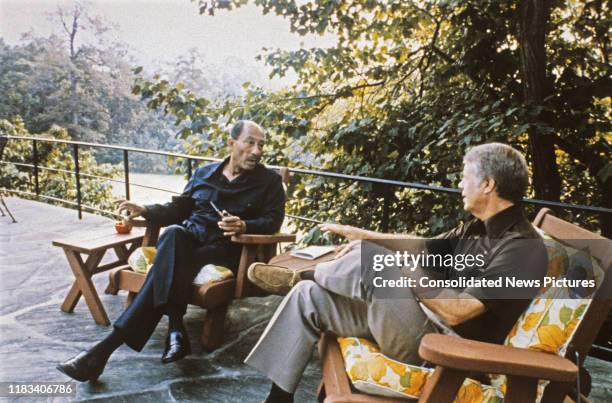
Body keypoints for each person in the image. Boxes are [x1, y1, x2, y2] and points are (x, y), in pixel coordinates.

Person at [245, 142, 548, 403]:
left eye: (465, 177)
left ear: (488, 184)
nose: (459, 185)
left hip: (448, 351)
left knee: (378, 262)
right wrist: (361, 234)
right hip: (419, 321)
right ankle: (279, 396)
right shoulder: (477, 227)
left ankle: (303, 274)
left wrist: (400, 267)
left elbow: (458, 311)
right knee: (309, 296)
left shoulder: (521, 247)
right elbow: (422, 247)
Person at [57, 120, 286, 382]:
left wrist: (244, 224)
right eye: (250, 142)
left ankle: (106, 349)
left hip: (225, 250)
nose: (257, 151)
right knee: (174, 232)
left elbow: (273, 221)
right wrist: (145, 210)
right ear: (232, 143)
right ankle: (174, 329)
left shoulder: (268, 181)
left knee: (169, 257)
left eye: (261, 144)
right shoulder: (204, 174)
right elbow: (178, 210)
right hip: (188, 241)